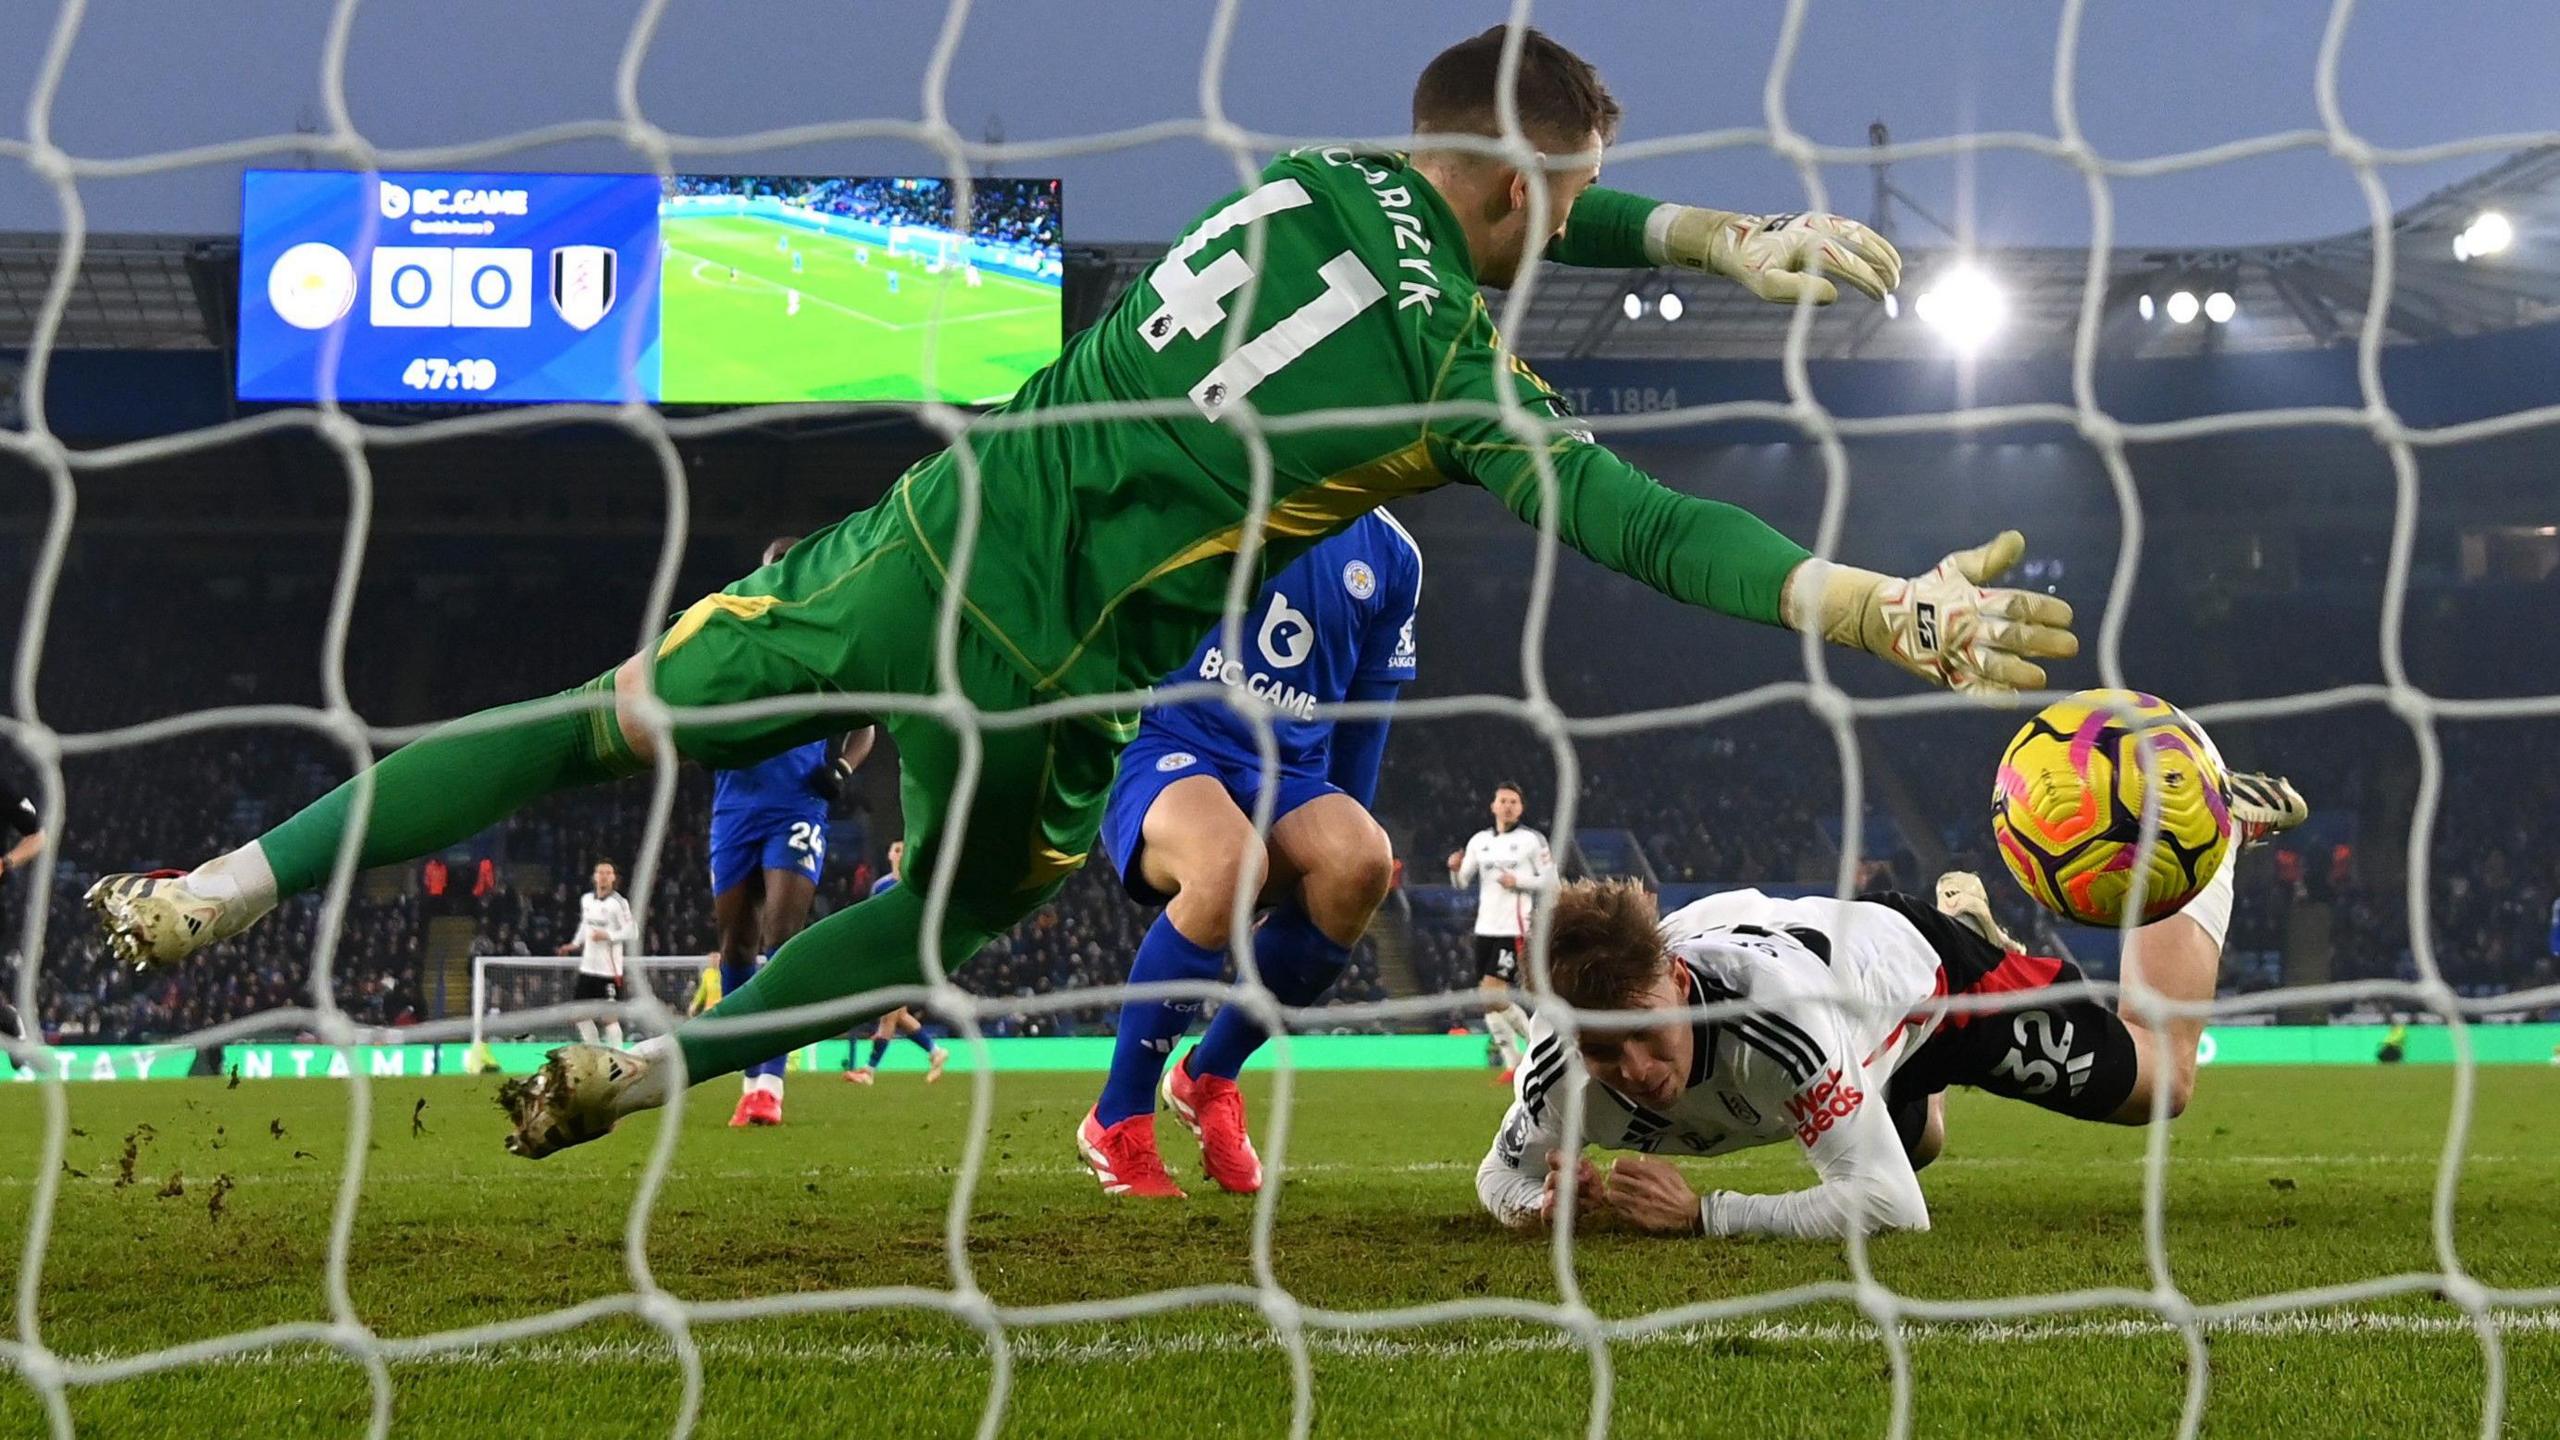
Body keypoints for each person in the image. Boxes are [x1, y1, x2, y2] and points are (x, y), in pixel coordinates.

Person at [88, 26, 2069, 1162]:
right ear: (1513, 197)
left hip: (931, 542)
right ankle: (653, 1068)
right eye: (1572, 204)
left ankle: (209, 896)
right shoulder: (1454, 386)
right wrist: (1877, 609)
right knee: (935, 925)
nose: (1575, 227)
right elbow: (1646, 526)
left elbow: (1513, 192)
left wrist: (1707, 234)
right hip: (1066, 676)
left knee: (591, 728)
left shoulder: (1313, 175)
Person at [1476, 766, 2307, 1240]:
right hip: (1839, 1000)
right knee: (1918, 1142)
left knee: (2160, 1081)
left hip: (1926, 981)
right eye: (1603, 1052)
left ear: (1680, 986)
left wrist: (1705, 1214)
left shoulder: (1775, 1026)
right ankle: (1897, 1063)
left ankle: (2211, 829)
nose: (1635, 1072)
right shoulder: (1557, 1063)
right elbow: (1498, 1174)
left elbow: (1893, 1211)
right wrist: (1532, 1207)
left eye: (1646, 1035)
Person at [1077, 510, 1421, 1198]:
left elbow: (1362, 724)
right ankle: (1117, 1116)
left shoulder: (1394, 554)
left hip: (1286, 774)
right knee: (1231, 862)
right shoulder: (1225, 473)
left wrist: (1341, 834)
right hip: (1167, 738)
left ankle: (1210, 1075)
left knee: (1362, 860)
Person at [705, 535, 872, 1129]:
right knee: (736, 946)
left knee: (782, 935)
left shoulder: (828, 646)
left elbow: (865, 726)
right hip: (734, 809)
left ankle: (769, 1084)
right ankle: (751, 1074)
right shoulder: (729, 635)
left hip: (799, 804)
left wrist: (843, 769)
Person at [1448, 782, 1550, 1077]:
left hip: (1514, 927)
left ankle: (1536, 1050)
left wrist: (1519, 881)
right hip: (1485, 927)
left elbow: (1550, 879)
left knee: (1494, 995)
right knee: (1486, 999)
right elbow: (1462, 882)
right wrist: (1454, 869)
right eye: (1503, 800)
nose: (1507, 806)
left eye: (1513, 801)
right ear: (1493, 806)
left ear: (1521, 808)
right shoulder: (1479, 841)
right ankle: (1512, 1063)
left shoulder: (1532, 840)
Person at [846, 840, 949, 1085]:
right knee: (898, 1014)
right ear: (890, 855)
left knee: (889, 1014)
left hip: (908, 956)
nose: (900, 854)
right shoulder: (881, 886)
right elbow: (872, 920)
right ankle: (935, 1051)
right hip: (886, 954)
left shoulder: (918, 886)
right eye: (896, 849)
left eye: (904, 849)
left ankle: (869, 1071)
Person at [553, 862, 636, 1047]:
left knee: (609, 1018)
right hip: (588, 969)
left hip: (609, 972)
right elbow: (585, 924)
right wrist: (574, 944)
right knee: (579, 1015)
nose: (604, 876)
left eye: (608, 873)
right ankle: (595, 1052)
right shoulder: (587, 900)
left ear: (614, 878)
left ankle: (617, 1058)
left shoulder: (619, 903)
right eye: (600, 872)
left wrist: (608, 935)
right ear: (594, 877)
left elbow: (632, 932)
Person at [0, 781, 44, 1043]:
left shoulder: (4, 792)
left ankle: (6, 1018)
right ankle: (5, 1018)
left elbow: (38, 836)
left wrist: (7, 862)